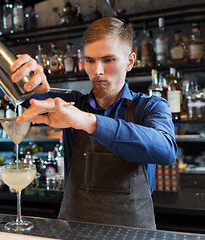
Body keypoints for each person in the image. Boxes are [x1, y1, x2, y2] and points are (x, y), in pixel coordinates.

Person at [10, 17, 177, 229]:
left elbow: (166, 149)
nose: (97, 70)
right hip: (74, 231)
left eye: (108, 60)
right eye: (90, 60)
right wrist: (22, 75)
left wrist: (89, 121)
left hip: (133, 234)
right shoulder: (71, 103)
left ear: (130, 61)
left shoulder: (150, 107)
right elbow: (19, 95)